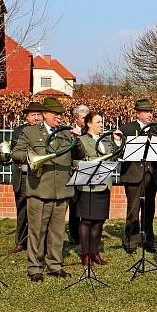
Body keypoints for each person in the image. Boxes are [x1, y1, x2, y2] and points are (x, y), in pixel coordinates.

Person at [11, 96, 80, 282]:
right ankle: (35, 267)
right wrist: (33, 156)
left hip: (62, 189)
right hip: (40, 188)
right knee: (37, 230)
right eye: (56, 114)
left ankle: (55, 265)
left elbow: (78, 154)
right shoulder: (31, 132)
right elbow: (15, 153)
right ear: (45, 114)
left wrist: (78, 138)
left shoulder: (66, 133)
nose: (59, 117)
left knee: (57, 231)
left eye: (60, 114)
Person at [75, 111, 120, 268]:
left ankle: (95, 252)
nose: (102, 124)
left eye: (102, 122)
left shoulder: (106, 140)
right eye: (99, 122)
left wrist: (117, 142)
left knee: (99, 221)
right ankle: (85, 253)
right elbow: (75, 160)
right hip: (88, 185)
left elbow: (114, 156)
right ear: (88, 124)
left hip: (104, 184)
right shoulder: (81, 140)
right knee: (86, 220)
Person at [118, 98, 157, 254]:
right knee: (133, 209)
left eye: (151, 112)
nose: (150, 114)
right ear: (138, 113)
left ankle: (149, 240)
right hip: (133, 174)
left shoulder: (155, 130)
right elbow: (120, 153)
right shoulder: (127, 129)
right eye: (146, 112)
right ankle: (131, 242)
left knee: (149, 210)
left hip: (150, 174)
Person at [10, 101, 44, 253]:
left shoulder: (46, 131)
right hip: (24, 174)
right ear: (27, 117)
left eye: (38, 115)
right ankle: (20, 241)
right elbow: (15, 152)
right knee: (22, 209)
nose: (36, 118)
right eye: (33, 115)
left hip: (41, 175)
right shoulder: (19, 131)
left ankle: (39, 241)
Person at [68, 104, 90, 246]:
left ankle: (86, 233)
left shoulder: (90, 130)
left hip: (88, 171)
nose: (86, 120)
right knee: (74, 205)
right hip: (74, 172)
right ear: (76, 118)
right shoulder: (69, 131)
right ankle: (74, 234)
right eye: (83, 118)